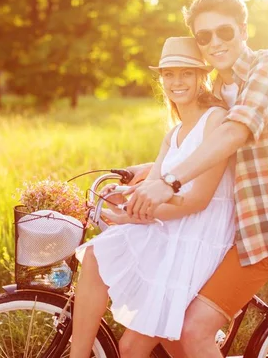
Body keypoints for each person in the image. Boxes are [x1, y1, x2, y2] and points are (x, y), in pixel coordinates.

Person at [124, 0, 268, 357]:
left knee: (193, 330)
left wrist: (169, 181)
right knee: (171, 310)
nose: (215, 42)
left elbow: (236, 133)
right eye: (204, 36)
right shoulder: (218, 89)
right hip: (231, 225)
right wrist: (149, 171)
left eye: (224, 32)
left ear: (244, 30)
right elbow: (210, 152)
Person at [70, 36, 236, 358]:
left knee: (132, 344)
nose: (176, 81)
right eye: (169, 74)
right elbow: (154, 186)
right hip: (173, 229)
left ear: (202, 76)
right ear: (161, 79)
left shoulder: (215, 119)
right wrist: (120, 195)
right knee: (96, 260)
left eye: (186, 73)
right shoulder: (173, 134)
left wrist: (131, 215)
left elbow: (198, 201)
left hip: (200, 235)